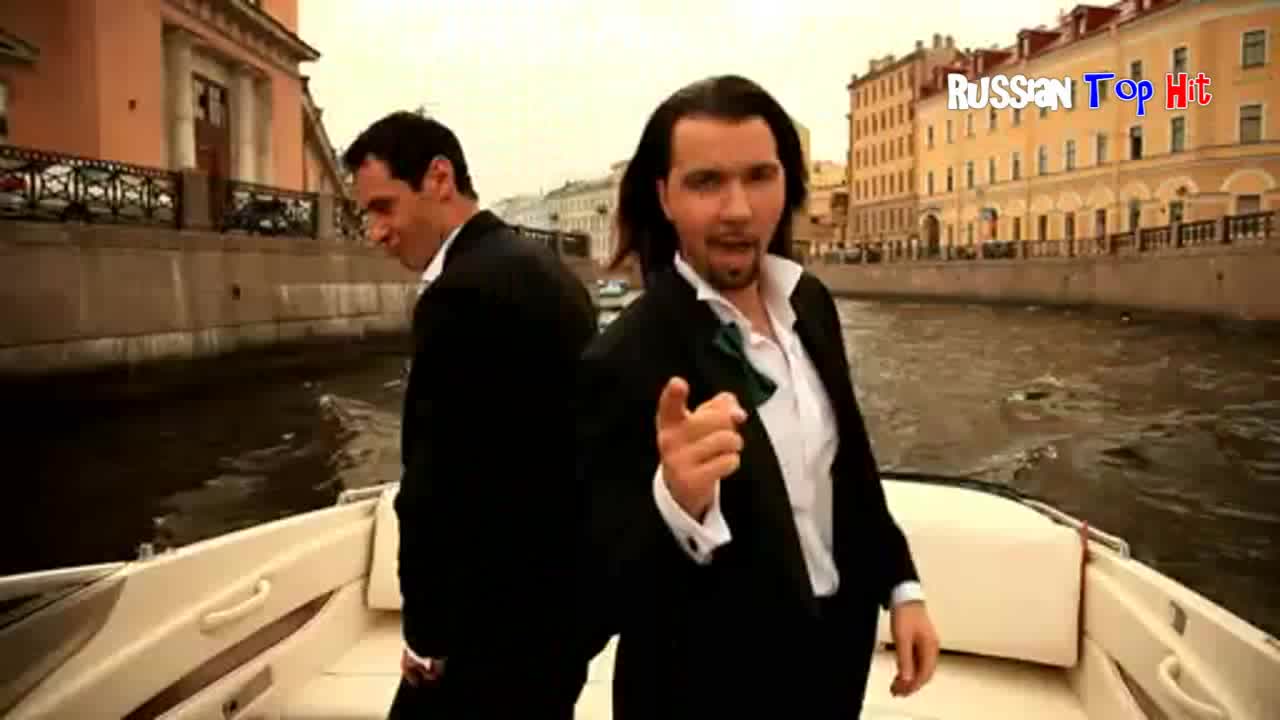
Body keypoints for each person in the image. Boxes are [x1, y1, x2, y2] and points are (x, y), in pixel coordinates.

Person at [575, 76, 940, 719]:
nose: (738, 208)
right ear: (663, 197)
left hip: (834, 662)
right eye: (706, 182)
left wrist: (901, 586)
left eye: (759, 177)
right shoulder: (624, 356)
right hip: (704, 695)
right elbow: (593, 593)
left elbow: (850, 469)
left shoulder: (811, 304)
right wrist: (677, 505)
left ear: (786, 185)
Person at [343, 111, 598, 718]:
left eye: (383, 207)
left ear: (439, 179)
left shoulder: (459, 295)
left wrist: (427, 633)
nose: (375, 232)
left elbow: (437, 482)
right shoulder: (548, 271)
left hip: (488, 629)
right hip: (557, 616)